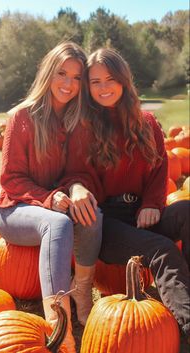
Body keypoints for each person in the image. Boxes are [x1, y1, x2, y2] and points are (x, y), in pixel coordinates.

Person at [70, 47, 189, 339]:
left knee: (186, 211)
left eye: (109, 78)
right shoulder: (83, 126)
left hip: (141, 213)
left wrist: (151, 203)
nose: (103, 87)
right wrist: (78, 188)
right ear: (87, 87)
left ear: (123, 80)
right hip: (106, 223)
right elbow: (77, 173)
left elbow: (160, 168)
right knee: (162, 250)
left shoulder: (146, 122)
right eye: (95, 81)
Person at [0, 42, 103, 353]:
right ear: (48, 72)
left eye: (77, 77)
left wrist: (78, 188)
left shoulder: (76, 120)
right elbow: (10, 180)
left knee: (91, 214)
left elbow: (77, 170)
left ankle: (81, 292)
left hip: (54, 202)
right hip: (14, 209)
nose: (68, 84)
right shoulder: (22, 117)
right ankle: (58, 325)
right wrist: (50, 198)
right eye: (61, 73)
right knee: (58, 225)